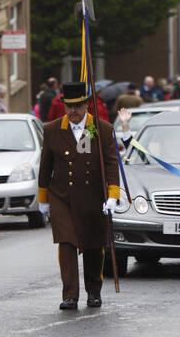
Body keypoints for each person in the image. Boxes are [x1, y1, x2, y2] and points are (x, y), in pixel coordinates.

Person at [37, 81, 121, 310]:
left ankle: (94, 291)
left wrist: (113, 194)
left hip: (93, 196)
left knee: (94, 245)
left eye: (77, 106)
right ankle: (70, 294)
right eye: (68, 106)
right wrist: (43, 198)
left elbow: (112, 164)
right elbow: (45, 166)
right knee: (66, 243)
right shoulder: (53, 129)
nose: (73, 111)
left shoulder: (102, 129)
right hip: (61, 196)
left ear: (86, 105)